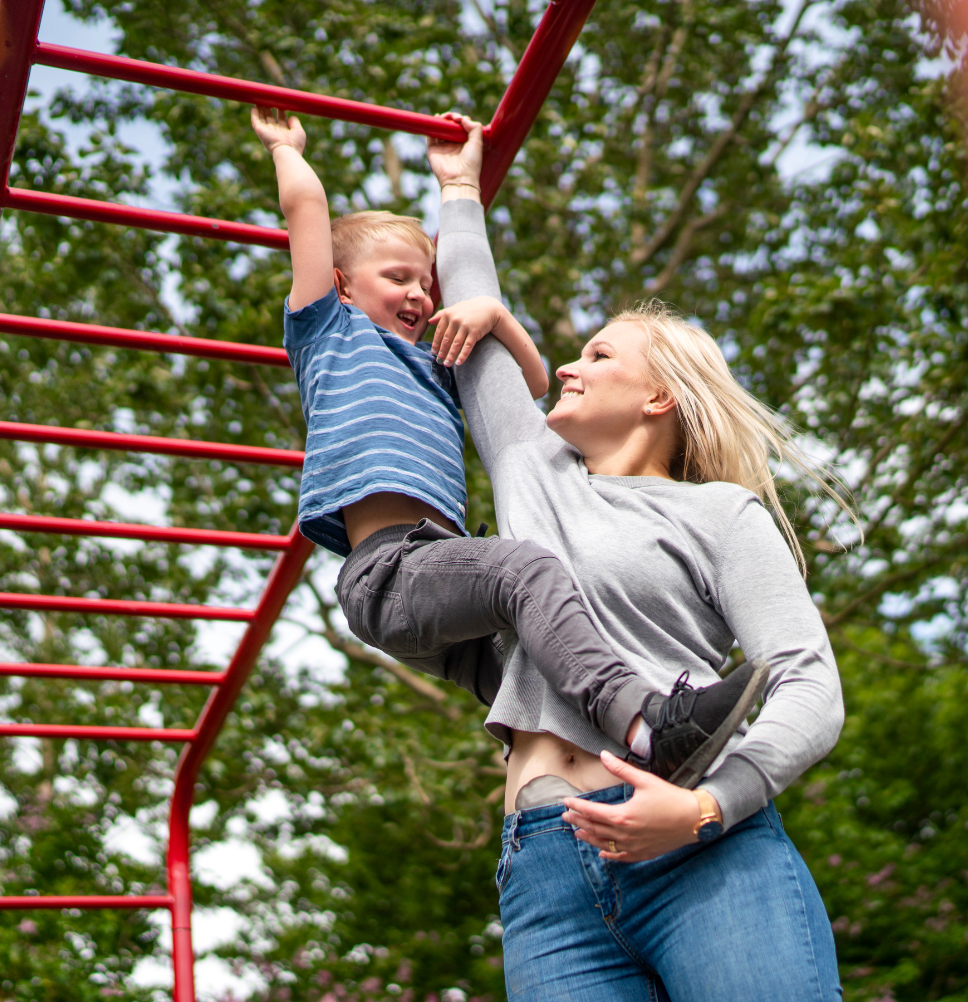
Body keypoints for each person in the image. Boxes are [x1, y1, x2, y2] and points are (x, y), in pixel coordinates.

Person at [427, 120, 858, 1002]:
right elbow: (472, 319)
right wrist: (460, 189)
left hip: (703, 852)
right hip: (543, 872)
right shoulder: (533, 473)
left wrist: (708, 808)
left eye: (599, 354)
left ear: (660, 399)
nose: (567, 365)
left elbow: (810, 687)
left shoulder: (718, 514)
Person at [249, 105, 768, 787]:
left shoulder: (435, 364)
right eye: (396, 277)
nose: (417, 293)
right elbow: (308, 213)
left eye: (424, 281)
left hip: (438, 573)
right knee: (525, 571)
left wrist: (494, 314)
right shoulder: (330, 336)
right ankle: (650, 725)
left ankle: (621, 772)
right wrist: (288, 150)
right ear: (344, 286)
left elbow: (524, 383)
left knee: (538, 665)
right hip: (388, 572)